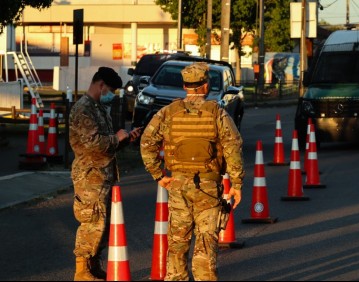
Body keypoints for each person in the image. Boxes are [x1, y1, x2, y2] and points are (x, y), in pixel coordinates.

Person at [140, 62, 245, 281]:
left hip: (178, 186)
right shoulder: (217, 113)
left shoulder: (168, 112)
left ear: (185, 85)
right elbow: (233, 146)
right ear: (205, 85)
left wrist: (158, 174)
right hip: (208, 187)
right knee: (205, 246)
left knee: (177, 244)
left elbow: (147, 141)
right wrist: (236, 184)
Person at [69, 67, 142, 281]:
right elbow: (94, 144)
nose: (112, 95)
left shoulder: (98, 108)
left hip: (102, 176)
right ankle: (82, 270)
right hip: (89, 177)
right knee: (91, 222)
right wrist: (117, 138)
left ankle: (92, 265)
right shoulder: (84, 109)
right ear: (100, 85)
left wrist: (126, 139)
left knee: (102, 223)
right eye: (110, 90)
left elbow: (107, 145)